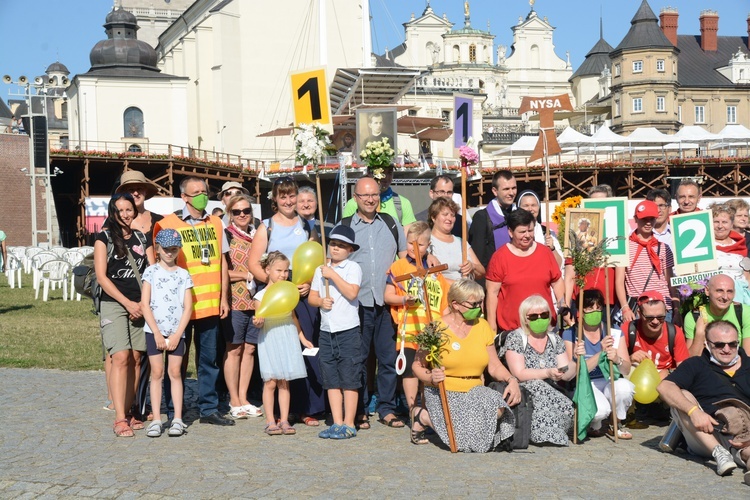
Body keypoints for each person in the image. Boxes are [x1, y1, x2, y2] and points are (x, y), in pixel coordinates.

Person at [153, 177, 234, 426]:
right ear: (184, 197)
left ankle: (208, 409)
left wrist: (224, 297)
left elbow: (222, 262)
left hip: (209, 304)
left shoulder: (217, 223)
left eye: (204, 192)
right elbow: (160, 264)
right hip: (179, 307)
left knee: (208, 359)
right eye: (195, 192)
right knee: (177, 360)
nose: (201, 195)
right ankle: (172, 408)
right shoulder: (167, 224)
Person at [248, 177, 324, 426]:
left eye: (292, 195)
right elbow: (254, 263)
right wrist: (275, 287)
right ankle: (283, 411)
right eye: (283, 196)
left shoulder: (306, 224)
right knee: (281, 349)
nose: (289, 201)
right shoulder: (266, 226)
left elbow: (314, 258)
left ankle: (308, 408)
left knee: (306, 347)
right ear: (275, 199)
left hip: (302, 291)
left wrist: (309, 282)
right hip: (279, 294)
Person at [411, 279, 520, 452]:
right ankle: (422, 416)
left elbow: (494, 365)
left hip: (475, 389)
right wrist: (430, 377)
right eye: (473, 303)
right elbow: (417, 366)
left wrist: (511, 379)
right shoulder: (435, 328)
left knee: (498, 408)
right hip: (444, 389)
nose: (479, 307)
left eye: (480, 302)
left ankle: (461, 427)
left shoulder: (482, 326)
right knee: (461, 442)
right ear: (456, 304)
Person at [339, 177, 407, 430]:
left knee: (387, 358)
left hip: (387, 302)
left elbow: (404, 258)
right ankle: (359, 410)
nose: (370, 199)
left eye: (374, 195)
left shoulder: (390, 223)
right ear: (355, 198)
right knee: (359, 358)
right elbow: (334, 262)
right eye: (365, 195)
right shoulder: (345, 226)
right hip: (357, 303)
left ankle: (387, 408)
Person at [658, 320, 750, 481]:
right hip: (706, 433)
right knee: (682, 395)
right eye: (720, 345)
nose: (727, 350)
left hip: (743, 432)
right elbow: (664, 387)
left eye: (732, 344)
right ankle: (719, 453)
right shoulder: (696, 364)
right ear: (707, 344)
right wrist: (693, 412)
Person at [94, 193, 154, 437]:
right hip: (115, 304)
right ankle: (119, 418)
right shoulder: (104, 237)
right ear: (113, 212)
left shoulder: (141, 237)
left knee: (137, 358)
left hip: (141, 304)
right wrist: (128, 303)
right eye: (120, 210)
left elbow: (151, 271)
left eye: (129, 209)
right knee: (120, 357)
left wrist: (142, 303)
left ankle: (131, 410)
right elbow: (101, 277)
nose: (125, 214)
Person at [385, 221, 450, 423]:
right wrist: (404, 299)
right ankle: (414, 411)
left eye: (420, 245)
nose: (414, 248)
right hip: (410, 329)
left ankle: (430, 412)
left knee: (430, 371)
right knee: (411, 371)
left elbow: (445, 300)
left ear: (428, 245)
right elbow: (388, 296)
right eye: (410, 243)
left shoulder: (435, 269)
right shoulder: (398, 267)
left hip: (432, 330)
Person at [114, 170, 164, 420]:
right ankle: (119, 403)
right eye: (130, 189)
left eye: (140, 188)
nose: (136, 192)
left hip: (148, 294)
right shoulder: (113, 222)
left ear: (146, 192)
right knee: (118, 355)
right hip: (120, 296)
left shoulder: (159, 220)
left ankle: (139, 405)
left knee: (141, 353)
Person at [309, 225, 363, 440]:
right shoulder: (319, 270)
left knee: (349, 377)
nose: (336, 249)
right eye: (333, 244)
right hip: (326, 330)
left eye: (342, 246)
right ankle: (336, 422)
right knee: (330, 378)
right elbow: (312, 297)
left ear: (350, 250)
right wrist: (321, 301)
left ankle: (349, 423)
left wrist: (333, 275)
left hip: (348, 329)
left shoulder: (353, 267)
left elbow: (352, 293)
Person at [501, 294, 576, 446]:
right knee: (537, 385)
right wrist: (547, 373)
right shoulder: (516, 338)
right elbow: (519, 374)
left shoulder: (556, 340)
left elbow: (566, 375)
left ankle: (558, 429)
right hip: (526, 391)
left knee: (567, 405)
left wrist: (575, 359)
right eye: (533, 316)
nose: (539, 319)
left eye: (544, 315)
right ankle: (546, 433)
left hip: (555, 391)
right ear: (525, 319)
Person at [140, 229, 193, 438]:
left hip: (176, 332)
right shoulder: (150, 272)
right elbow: (145, 305)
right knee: (156, 373)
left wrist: (178, 334)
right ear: (158, 249)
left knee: (175, 373)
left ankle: (178, 418)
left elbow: (187, 307)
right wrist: (157, 334)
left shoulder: (183, 275)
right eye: (165, 249)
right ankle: (156, 419)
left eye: (174, 249)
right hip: (154, 332)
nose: (169, 253)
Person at [252, 251, 312, 436]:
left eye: (286, 271)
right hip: (270, 336)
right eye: (279, 270)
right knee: (270, 381)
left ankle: (284, 419)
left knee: (284, 381)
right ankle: (270, 420)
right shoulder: (260, 296)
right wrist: (258, 322)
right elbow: (259, 317)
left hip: (287, 335)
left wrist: (302, 338)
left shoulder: (289, 291)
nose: (283, 275)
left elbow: (293, 317)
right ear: (268, 269)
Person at [562, 290, 635, 439]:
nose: (594, 312)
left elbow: (626, 369)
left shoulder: (612, 331)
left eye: (598, 308)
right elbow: (572, 374)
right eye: (589, 308)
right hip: (585, 382)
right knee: (600, 411)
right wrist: (600, 353)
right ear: (581, 311)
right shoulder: (571, 334)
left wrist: (617, 359)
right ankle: (595, 424)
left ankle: (616, 423)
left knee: (625, 388)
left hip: (609, 379)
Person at [485, 209, 564, 335]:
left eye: (530, 230)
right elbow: (492, 293)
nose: (527, 235)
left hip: (544, 326)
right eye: (522, 232)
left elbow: (557, 281)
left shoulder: (545, 252)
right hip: (514, 330)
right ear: (510, 232)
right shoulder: (500, 257)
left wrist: (563, 305)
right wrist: (491, 327)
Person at [222, 194, 263, 419]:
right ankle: (233, 399)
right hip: (234, 300)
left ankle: (244, 396)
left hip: (255, 300)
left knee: (250, 349)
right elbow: (222, 271)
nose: (242, 215)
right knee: (234, 349)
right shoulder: (226, 236)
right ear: (230, 213)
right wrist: (246, 274)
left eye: (246, 210)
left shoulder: (257, 235)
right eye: (237, 212)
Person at [615, 200, 679, 324]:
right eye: (644, 219)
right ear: (635, 219)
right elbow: (619, 281)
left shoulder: (664, 247)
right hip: (639, 308)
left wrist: (676, 308)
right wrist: (625, 308)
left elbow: (670, 281)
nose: (648, 223)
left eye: (652, 219)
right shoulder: (624, 246)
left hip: (664, 308)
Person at [622, 291, 689, 380]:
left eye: (661, 317)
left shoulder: (674, 332)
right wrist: (629, 359)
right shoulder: (628, 329)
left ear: (666, 312)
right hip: (637, 377)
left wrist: (669, 372)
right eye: (649, 317)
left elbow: (684, 370)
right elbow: (614, 365)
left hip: (666, 378)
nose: (655, 322)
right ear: (639, 314)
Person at [683, 274, 750, 357]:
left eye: (729, 291)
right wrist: (700, 335)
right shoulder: (694, 317)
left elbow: (748, 357)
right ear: (707, 291)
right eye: (719, 291)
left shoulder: (744, 312)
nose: (725, 297)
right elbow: (690, 362)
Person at [468, 170, 517, 270]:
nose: (511, 193)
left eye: (514, 188)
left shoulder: (521, 215)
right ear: (495, 191)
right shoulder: (482, 217)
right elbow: (478, 258)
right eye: (506, 189)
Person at [428, 197, 484, 283]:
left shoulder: (461, 242)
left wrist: (472, 266)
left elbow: (482, 272)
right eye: (445, 214)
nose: (449, 219)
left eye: (452, 215)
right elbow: (427, 277)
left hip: (468, 292)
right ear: (433, 217)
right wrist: (458, 286)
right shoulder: (428, 242)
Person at [343, 166, 417, 230]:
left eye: (389, 173)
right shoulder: (353, 203)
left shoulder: (402, 203)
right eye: (381, 172)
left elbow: (408, 240)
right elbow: (346, 235)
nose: (385, 177)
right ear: (369, 173)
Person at [710, 203, 750, 305]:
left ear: (731, 224)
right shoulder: (705, 246)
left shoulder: (740, 244)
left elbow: (747, 275)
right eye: (716, 222)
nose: (720, 226)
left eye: (724, 222)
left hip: (740, 298)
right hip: (715, 299)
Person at [516, 190, 563, 268]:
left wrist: (552, 248)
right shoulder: (512, 233)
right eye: (526, 205)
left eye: (533, 205)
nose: (530, 209)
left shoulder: (548, 233)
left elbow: (559, 265)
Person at [645, 188, 674, 254]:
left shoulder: (677, 234)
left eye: (661, 205)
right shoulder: (638, 235)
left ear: (669, 209)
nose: (658, 210)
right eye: (653, 206)